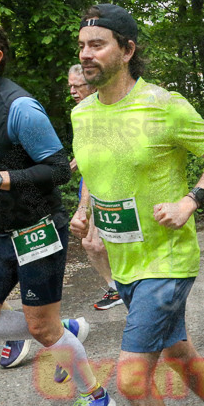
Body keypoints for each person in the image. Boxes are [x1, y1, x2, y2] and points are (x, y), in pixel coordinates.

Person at [70, 4, 204, 406]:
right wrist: (87, 211)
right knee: (177, 351)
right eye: (83, 44)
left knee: (131, 377)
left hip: (168, 259)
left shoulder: (163, 105)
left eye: (97, 44)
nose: (86, 53)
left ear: (126, 51)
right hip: (125, 261)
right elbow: (94, 169)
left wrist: (192, 201)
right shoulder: (81, 113)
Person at [0, 18, 115, 406]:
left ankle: (96, 397)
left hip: (38, 232)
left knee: (40, 327)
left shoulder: (20, 107)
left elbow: (57, 169)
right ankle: (64, 331)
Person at [67, 64, 122, 311]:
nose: (73, 92)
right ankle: (117, 287)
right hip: (91, 182)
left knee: (97, 243)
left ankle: (125, 288)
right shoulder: (81, 114)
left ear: (92, 85)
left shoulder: (109, 109)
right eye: (69, 87)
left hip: (112, 184)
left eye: (77, 86)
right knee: (92, 243)